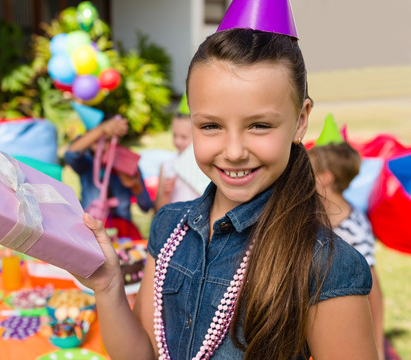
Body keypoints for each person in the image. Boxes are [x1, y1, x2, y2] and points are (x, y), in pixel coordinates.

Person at [72, 1, 377, 359]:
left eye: (259, 125)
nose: (233, 151)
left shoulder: (324, 265)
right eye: (211, 126)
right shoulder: (169, 229)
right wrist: (109, 286)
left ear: (300, 120)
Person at [309, 141, 385, 360]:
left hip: (339, 320)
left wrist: (377, 345)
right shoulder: (313, 214)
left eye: (308, 170)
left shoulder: (353, 230)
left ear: (325, 177)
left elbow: (372, 290)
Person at [64, 115, 153, 238]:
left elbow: (146, 206)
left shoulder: (127, 164)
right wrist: (102, 129)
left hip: (122, 231)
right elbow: (70, 154)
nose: (103, 146)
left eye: (108, 140)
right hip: (92, 229)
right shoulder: (87, 164)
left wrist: (135, 185)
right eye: (97, 141)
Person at [154, 112, 199, 212]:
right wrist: (167, 193)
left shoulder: (204, 165)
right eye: (175, 136)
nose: (178, 141)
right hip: (176, 221)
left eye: (184, 137)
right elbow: (158, 209)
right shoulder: (167, 166)